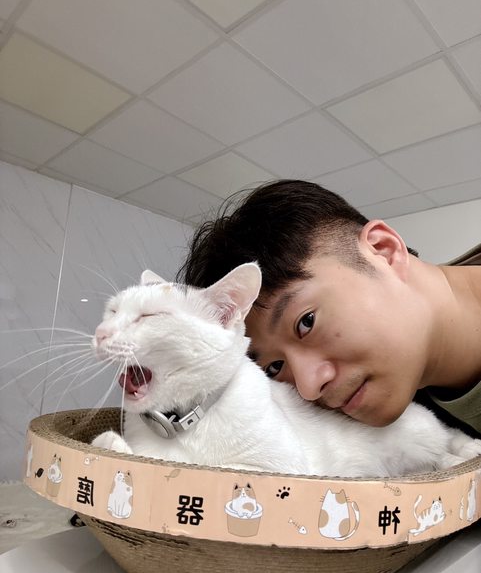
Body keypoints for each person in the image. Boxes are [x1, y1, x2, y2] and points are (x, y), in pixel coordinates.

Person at [177, 179, 481, 437]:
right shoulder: (416, 424)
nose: (309, 388)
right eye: (275, 367)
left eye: (306, 322)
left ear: (383, 250)